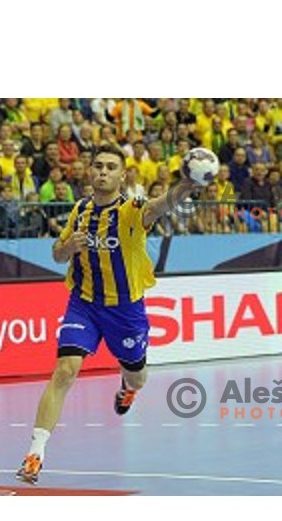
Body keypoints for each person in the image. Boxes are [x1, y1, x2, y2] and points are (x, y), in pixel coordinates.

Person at [15, 144, 197, 484]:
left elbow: (162, 205)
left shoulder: (132, 210)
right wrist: (68, 248)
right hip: (83, 303)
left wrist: (189, 183)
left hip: (125, 310)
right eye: (98, 165)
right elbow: (57, 253)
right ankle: (34, 454)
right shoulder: (81, 209)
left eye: (111, 167)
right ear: (90, 171)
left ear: (122, 175)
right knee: (65, 370)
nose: (103, 171)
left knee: (138, 375)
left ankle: (128, 387)